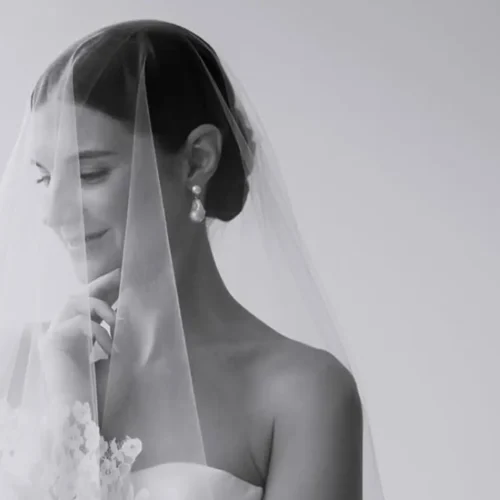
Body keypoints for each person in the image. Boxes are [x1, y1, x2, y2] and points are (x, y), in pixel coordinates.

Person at [0, 20, 385, 500]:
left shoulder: (303, 394)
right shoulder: (15, 364)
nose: (54, 214)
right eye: (43, 179)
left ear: (198, 159)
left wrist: (72, 431)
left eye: (90, 173)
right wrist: (65, 393)